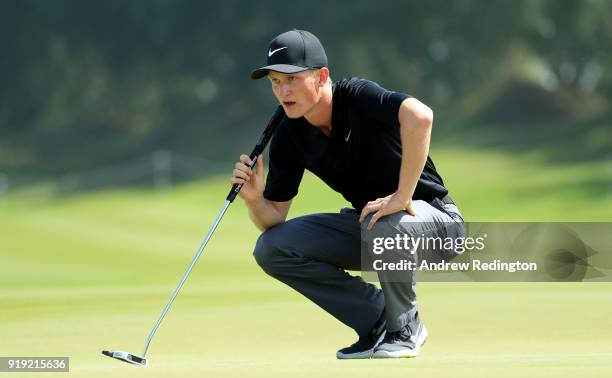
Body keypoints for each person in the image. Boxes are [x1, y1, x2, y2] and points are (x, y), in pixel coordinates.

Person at [231, 29, 465, 359]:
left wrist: (402, 195)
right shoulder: (289, 133)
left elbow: (421, 116)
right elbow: (274, 220)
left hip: (438, 225)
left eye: (292, 80)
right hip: (376, 227)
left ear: (322, 76)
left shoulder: (356, 96)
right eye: (275, 82)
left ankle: (406, 327)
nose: (283, 91)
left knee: (385, 221)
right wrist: (255, 199)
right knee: (272, 248)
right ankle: (378, 320)